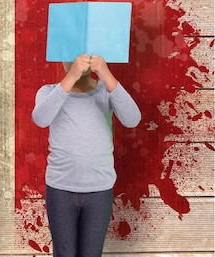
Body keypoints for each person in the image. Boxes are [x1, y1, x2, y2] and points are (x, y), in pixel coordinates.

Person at [32, 53, 141, 257]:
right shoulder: (48, 92)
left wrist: (106, 74)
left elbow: (132, 119)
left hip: (99, 189)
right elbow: (40, 119)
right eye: (70, 56)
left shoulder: (105, 92)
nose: (77, 60)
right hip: (60, 189)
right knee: (64, 253)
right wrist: (71, 77)